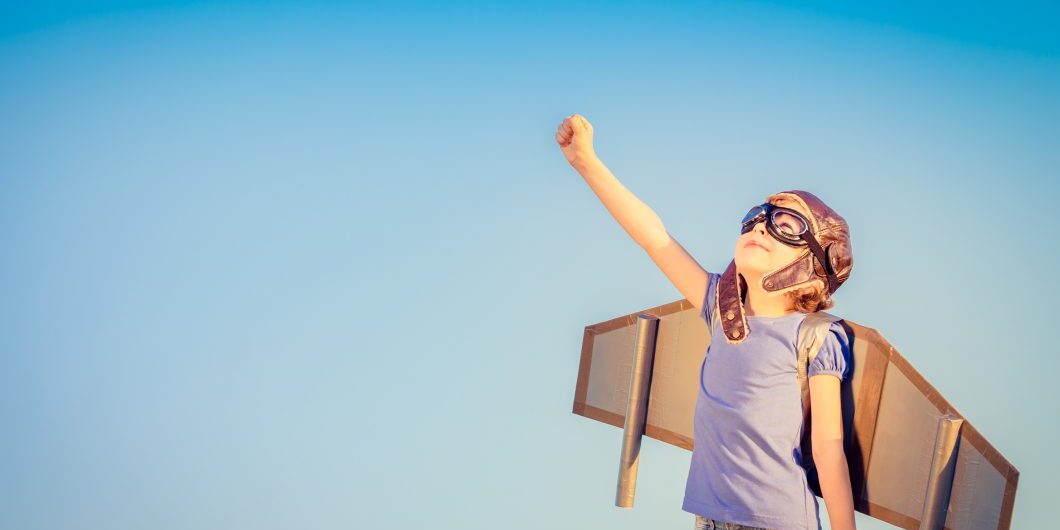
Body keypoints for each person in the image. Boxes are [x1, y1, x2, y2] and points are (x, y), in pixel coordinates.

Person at [555, 113, 857, 530]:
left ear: (814, 260)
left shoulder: (816, 335)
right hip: (709, 520)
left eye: (785, 225)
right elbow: (653, 237)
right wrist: (587, 162)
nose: (761, 228)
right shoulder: (720, 309)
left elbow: (828, 447)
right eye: (756, 217)